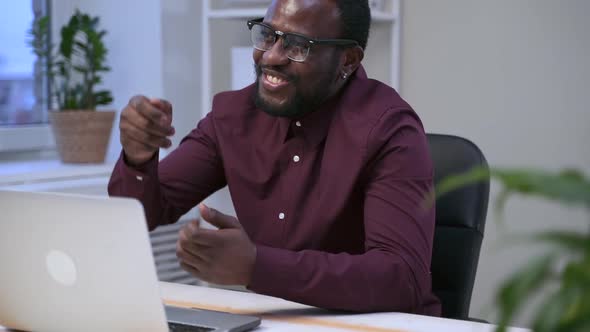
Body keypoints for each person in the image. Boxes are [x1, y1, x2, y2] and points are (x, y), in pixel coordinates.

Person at [109, 0, 441, 315]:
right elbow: (144, 212)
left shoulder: (389, 129)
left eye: (297, 46)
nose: (270, 56)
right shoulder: (234, 116)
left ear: (348, 60)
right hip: (275, 320)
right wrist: (138, 158)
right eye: (268, 36)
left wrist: (257, 266)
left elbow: (402, 278)